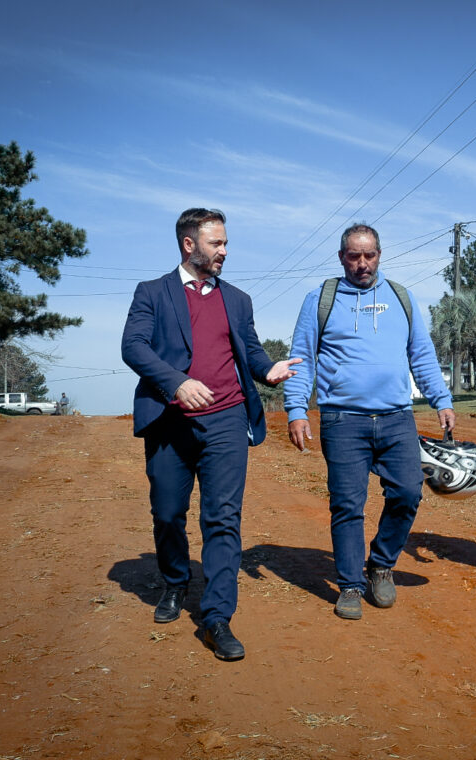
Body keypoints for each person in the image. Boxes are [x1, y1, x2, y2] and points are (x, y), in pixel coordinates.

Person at [121, 208, 300, 660]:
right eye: (216, 243)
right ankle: (176, 582)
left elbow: (251, 351)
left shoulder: (237, 299)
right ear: (189, 244)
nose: (225, 251)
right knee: (167, 512)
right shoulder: (152, 293)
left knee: (222, 519)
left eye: (225, 243)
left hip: (226, 420)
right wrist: (176, 382)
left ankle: (217, 616)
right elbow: (133, 346)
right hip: (169, 419)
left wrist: (269, 371)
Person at [285, 222, 455, 620]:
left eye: (369, 255)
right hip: (343, 420)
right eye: (354, 256)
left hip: (397, 418)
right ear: (342, 256)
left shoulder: (401, 297)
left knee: (408, 493)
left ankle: (380, 564)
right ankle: (349, 585)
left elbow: (422, 356)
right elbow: (301, 358)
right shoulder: (320, 299)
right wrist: (296, 410)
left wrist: (442, 399)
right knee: (348, 505)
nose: (362, 263)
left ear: (380, 254)